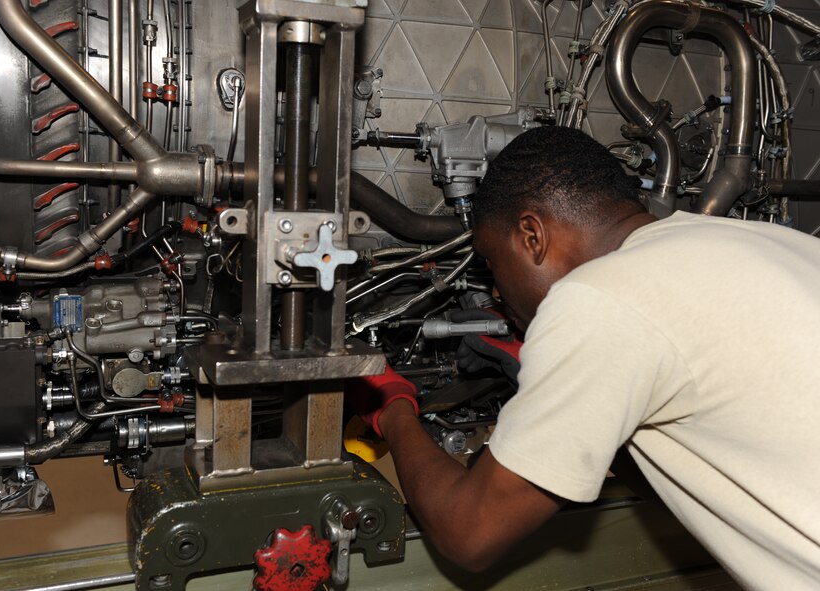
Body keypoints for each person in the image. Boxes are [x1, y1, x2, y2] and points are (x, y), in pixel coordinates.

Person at [350, 125, 820, 589]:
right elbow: (704, 469)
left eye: (491, 261)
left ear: (532, 236)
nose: (493, 289)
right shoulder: (760, 241)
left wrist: (392, 409)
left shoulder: (600, 299)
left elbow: (470, 533)